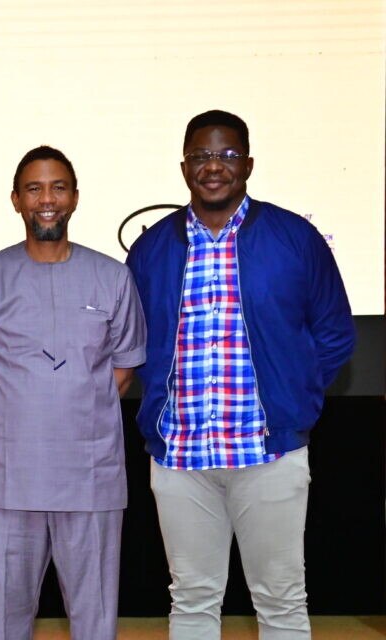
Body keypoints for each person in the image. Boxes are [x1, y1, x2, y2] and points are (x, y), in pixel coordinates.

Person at [126, 110, 355, 639]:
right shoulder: (152, 248)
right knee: (191, 601)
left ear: (248, 163)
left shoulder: (295, 237)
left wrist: (292, 391)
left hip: (268, 455)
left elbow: (336, 333)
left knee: (280, 601)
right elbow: (130, 343)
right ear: (184, 166)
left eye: (227, 155)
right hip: (181, 457)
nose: (214, 166)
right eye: (202, 155)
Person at [0, 145, 146, 639]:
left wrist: (77, 413)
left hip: (91, 478)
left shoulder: (112, 276)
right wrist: (13, 425)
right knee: (8, 621)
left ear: (75, 198)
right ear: (15, 200)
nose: (47, 199)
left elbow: (124, 368)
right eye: (34, 188)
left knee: (95, 621)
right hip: (8, 481)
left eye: (58, 187)